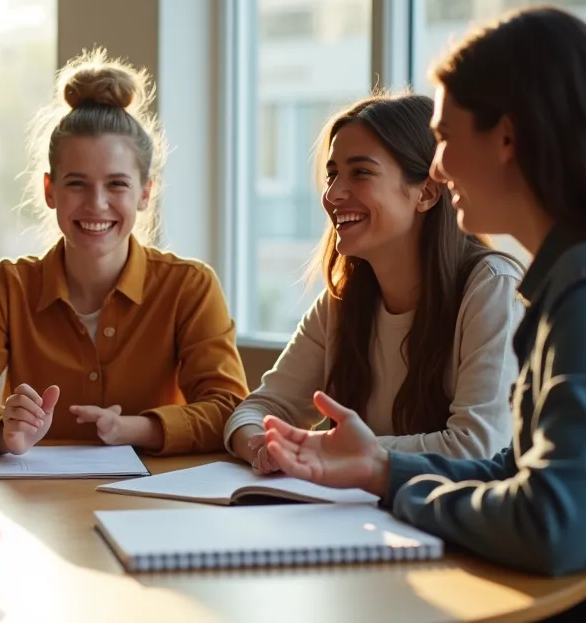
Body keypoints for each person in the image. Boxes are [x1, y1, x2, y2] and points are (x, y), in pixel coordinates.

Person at [260, 7, 586, 622]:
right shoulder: (581, 277)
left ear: (507, 137)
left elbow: (556, 524)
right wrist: (382, 467)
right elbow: (518, 467)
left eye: (443, 136)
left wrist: (404, 487)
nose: (436, 165)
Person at [0, 50, 249, 456]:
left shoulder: (189, 286)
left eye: (116, 185)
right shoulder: (6, 289)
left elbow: (230, 410)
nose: (96, 204)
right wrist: (3, 431)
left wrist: (134, 428)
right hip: (37, 504)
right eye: (77, 184)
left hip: (155, 508)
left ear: (146, 193)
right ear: (49, 190)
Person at [223, 93, 523, 472]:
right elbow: (258, 409)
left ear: (427, 193)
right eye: (332, 174)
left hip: (453, 526)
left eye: (360, 172)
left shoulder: (492, 288)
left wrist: (330, 451)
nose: (332, 195)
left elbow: (478, 446)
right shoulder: (342, 301)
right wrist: (265, 446)